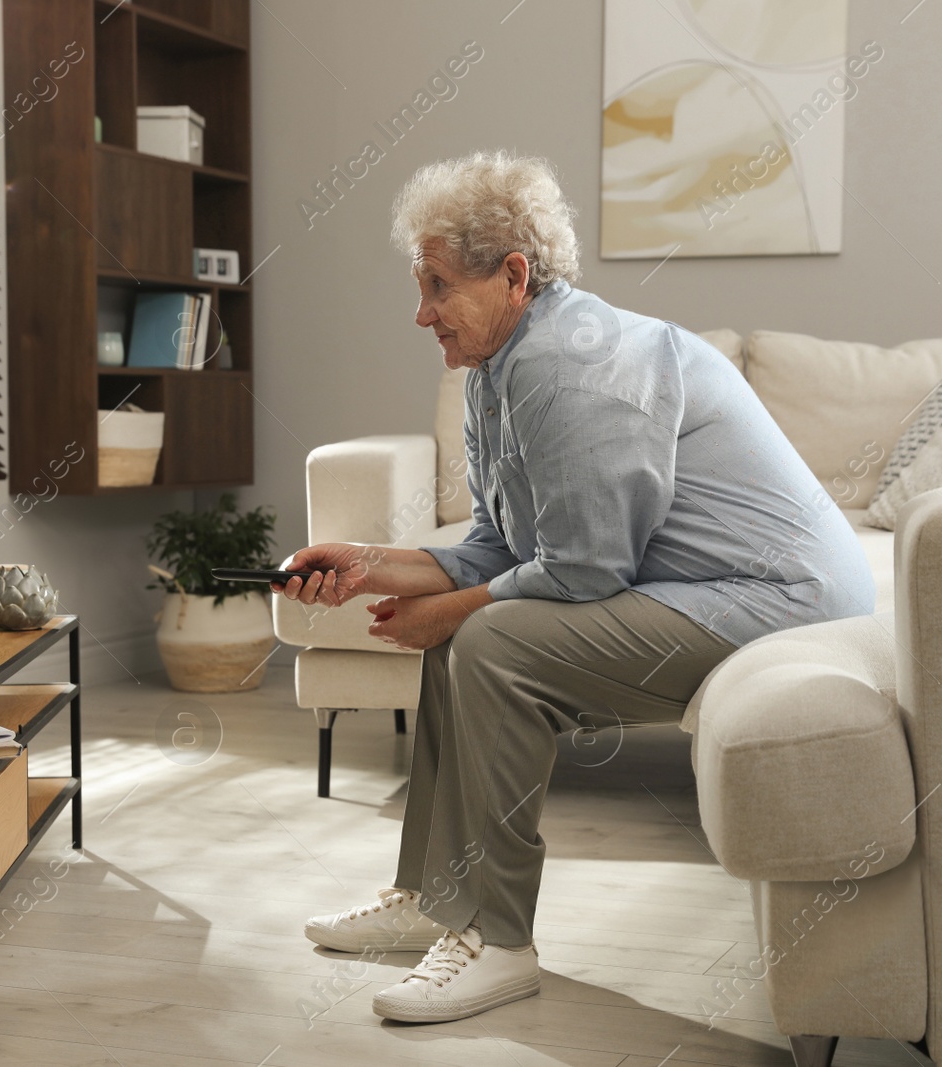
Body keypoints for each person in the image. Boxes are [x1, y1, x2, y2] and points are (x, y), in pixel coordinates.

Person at [276, 150, 875, 1024]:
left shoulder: (573, 363)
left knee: (487, 642)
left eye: (438, 286)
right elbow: (496, 546)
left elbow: (588, 568)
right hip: (709, 589)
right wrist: (367, 561)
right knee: (467, 632)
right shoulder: (494, 370)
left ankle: (499, 938)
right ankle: (434, 896)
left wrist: (446, 610)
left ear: (513, 275)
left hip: (782, 601)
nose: (421, 313)